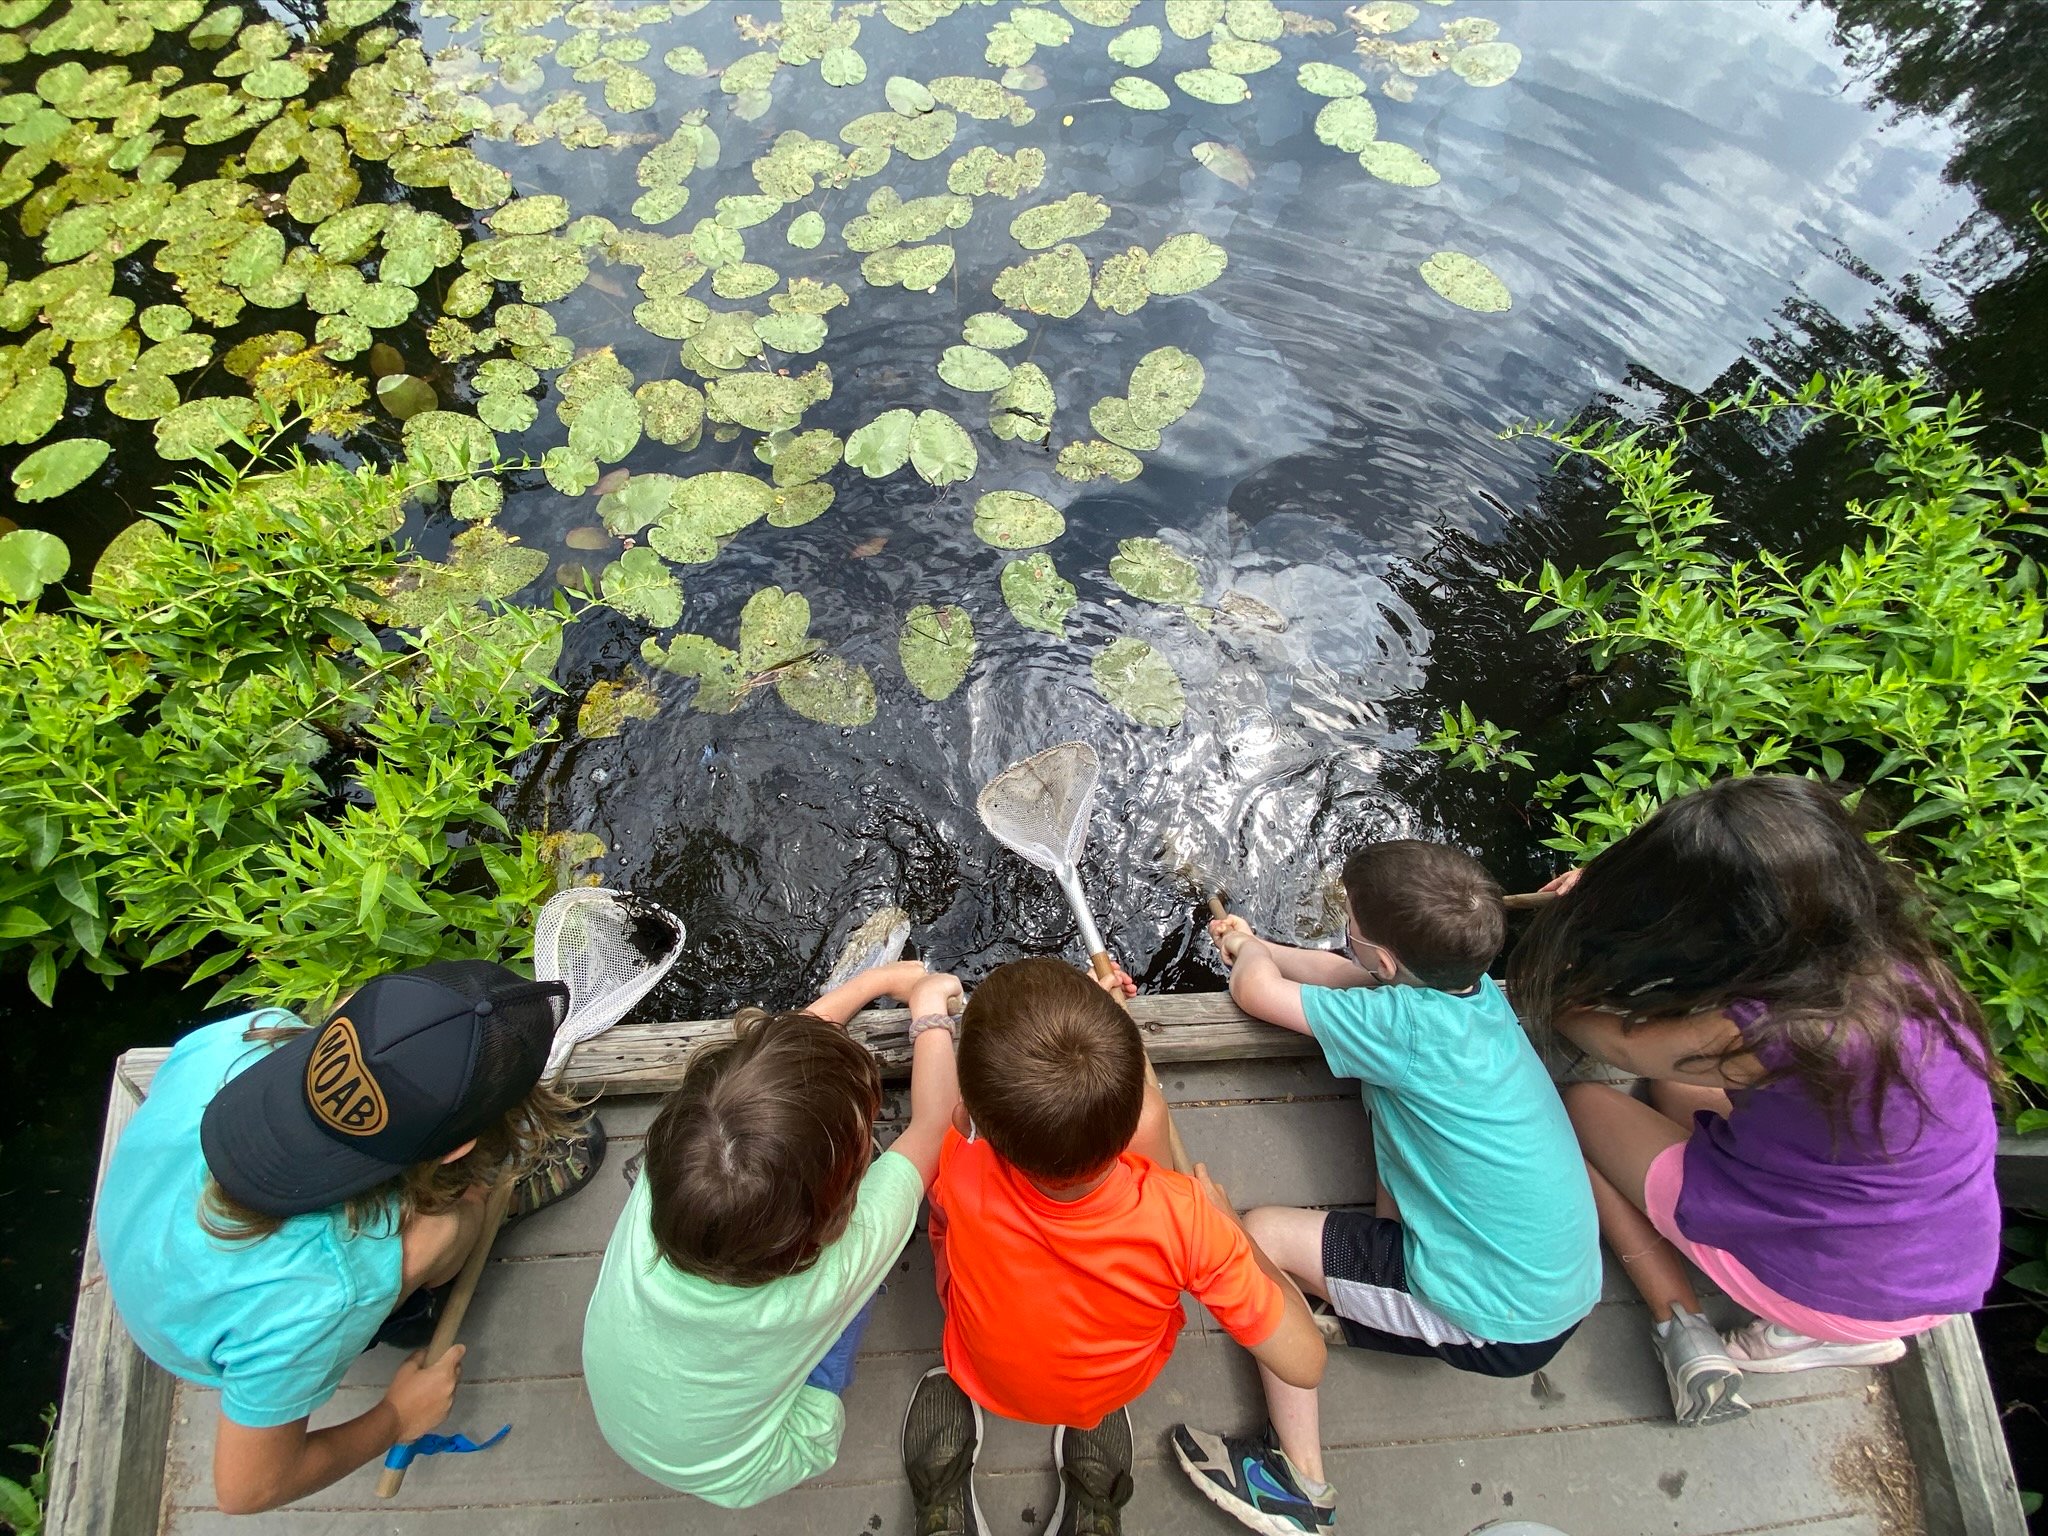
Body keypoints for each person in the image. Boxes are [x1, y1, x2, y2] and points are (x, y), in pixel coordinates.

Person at [1517, 776, 2002, 1427]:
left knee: (1584, 1103)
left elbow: (1622, 1046)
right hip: (1941, 1256)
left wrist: (1561, 981)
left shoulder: (1756, 1031)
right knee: (1673, 1085)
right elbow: (1676, 1057)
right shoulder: (1890, 969)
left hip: (1838, 1276)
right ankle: (1844, 1323)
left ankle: (1798, 1333)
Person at [1169, 840, 1600, 1534]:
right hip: (1557, 1282)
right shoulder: (1469, 997)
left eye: (1353, 927)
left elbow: (1254, 993)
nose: (1347, 937)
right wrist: (1259, 942)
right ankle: (1363, 1298)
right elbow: (1348, 977)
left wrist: (1249, 958)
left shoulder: (1402, 1027)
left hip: (1496, 1317)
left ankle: (1297, 1485)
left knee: (1260, 1235)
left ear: (1390, 959)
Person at [96, 960, 604, 1515]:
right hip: (204, 1339)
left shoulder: (244, 1037)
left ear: (345, 1014)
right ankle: (481, 1221)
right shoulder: (330, 1289)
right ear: (457, 1151)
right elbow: (247, 1489)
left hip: (149, 1257)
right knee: (444, 1226)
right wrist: (396, 1418)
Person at [901, 956, 1327, 1536]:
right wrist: (1237, 1235)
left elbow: (942, 1119)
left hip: (981, 1372)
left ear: (968, 1115)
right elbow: (1305, 1362)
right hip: (1114, 1385)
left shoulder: (960, 1160)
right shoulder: (1189, 1221)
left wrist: (928, 1017)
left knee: (947, 1220)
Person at [582, 959, 962, 1509]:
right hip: (755, 1462)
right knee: (851, 1298)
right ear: (829, 1221)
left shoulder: (678, 1171)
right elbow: (934, 1124)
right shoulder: (830, 1271)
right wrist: (927, 1011)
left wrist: (875, 982)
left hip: (630, 1419)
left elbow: (766, 1074)